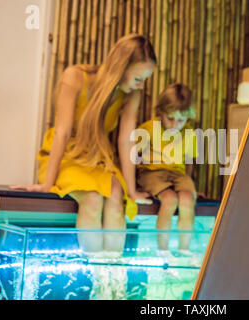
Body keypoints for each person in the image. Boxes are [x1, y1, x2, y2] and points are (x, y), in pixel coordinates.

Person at [11, 34, 157, 253]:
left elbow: (125, 142)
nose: (141, 86)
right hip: (67, 154)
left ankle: (114, 273)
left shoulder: (131, 95)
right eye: (138, 78)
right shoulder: (75, 77)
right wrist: (47, 184)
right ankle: (97, 272)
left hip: (97, 157)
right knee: (92, 199)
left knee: (117, 196)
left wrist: (132, 191)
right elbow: (62, 132)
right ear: (121, 68)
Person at [135, 83, 201, 252]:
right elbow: (133, 157)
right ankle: (162, 251)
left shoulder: (189, 133)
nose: (174, 125)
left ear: (188, 117)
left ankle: (184, 250)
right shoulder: (148, 129)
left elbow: (188, 163)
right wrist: (134, 186)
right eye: (170, 118)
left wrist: (189, 186)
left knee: (187, 199)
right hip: (152, 172)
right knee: (170, 199)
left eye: (180, 120)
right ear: (161, 112)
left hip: (177, 174)